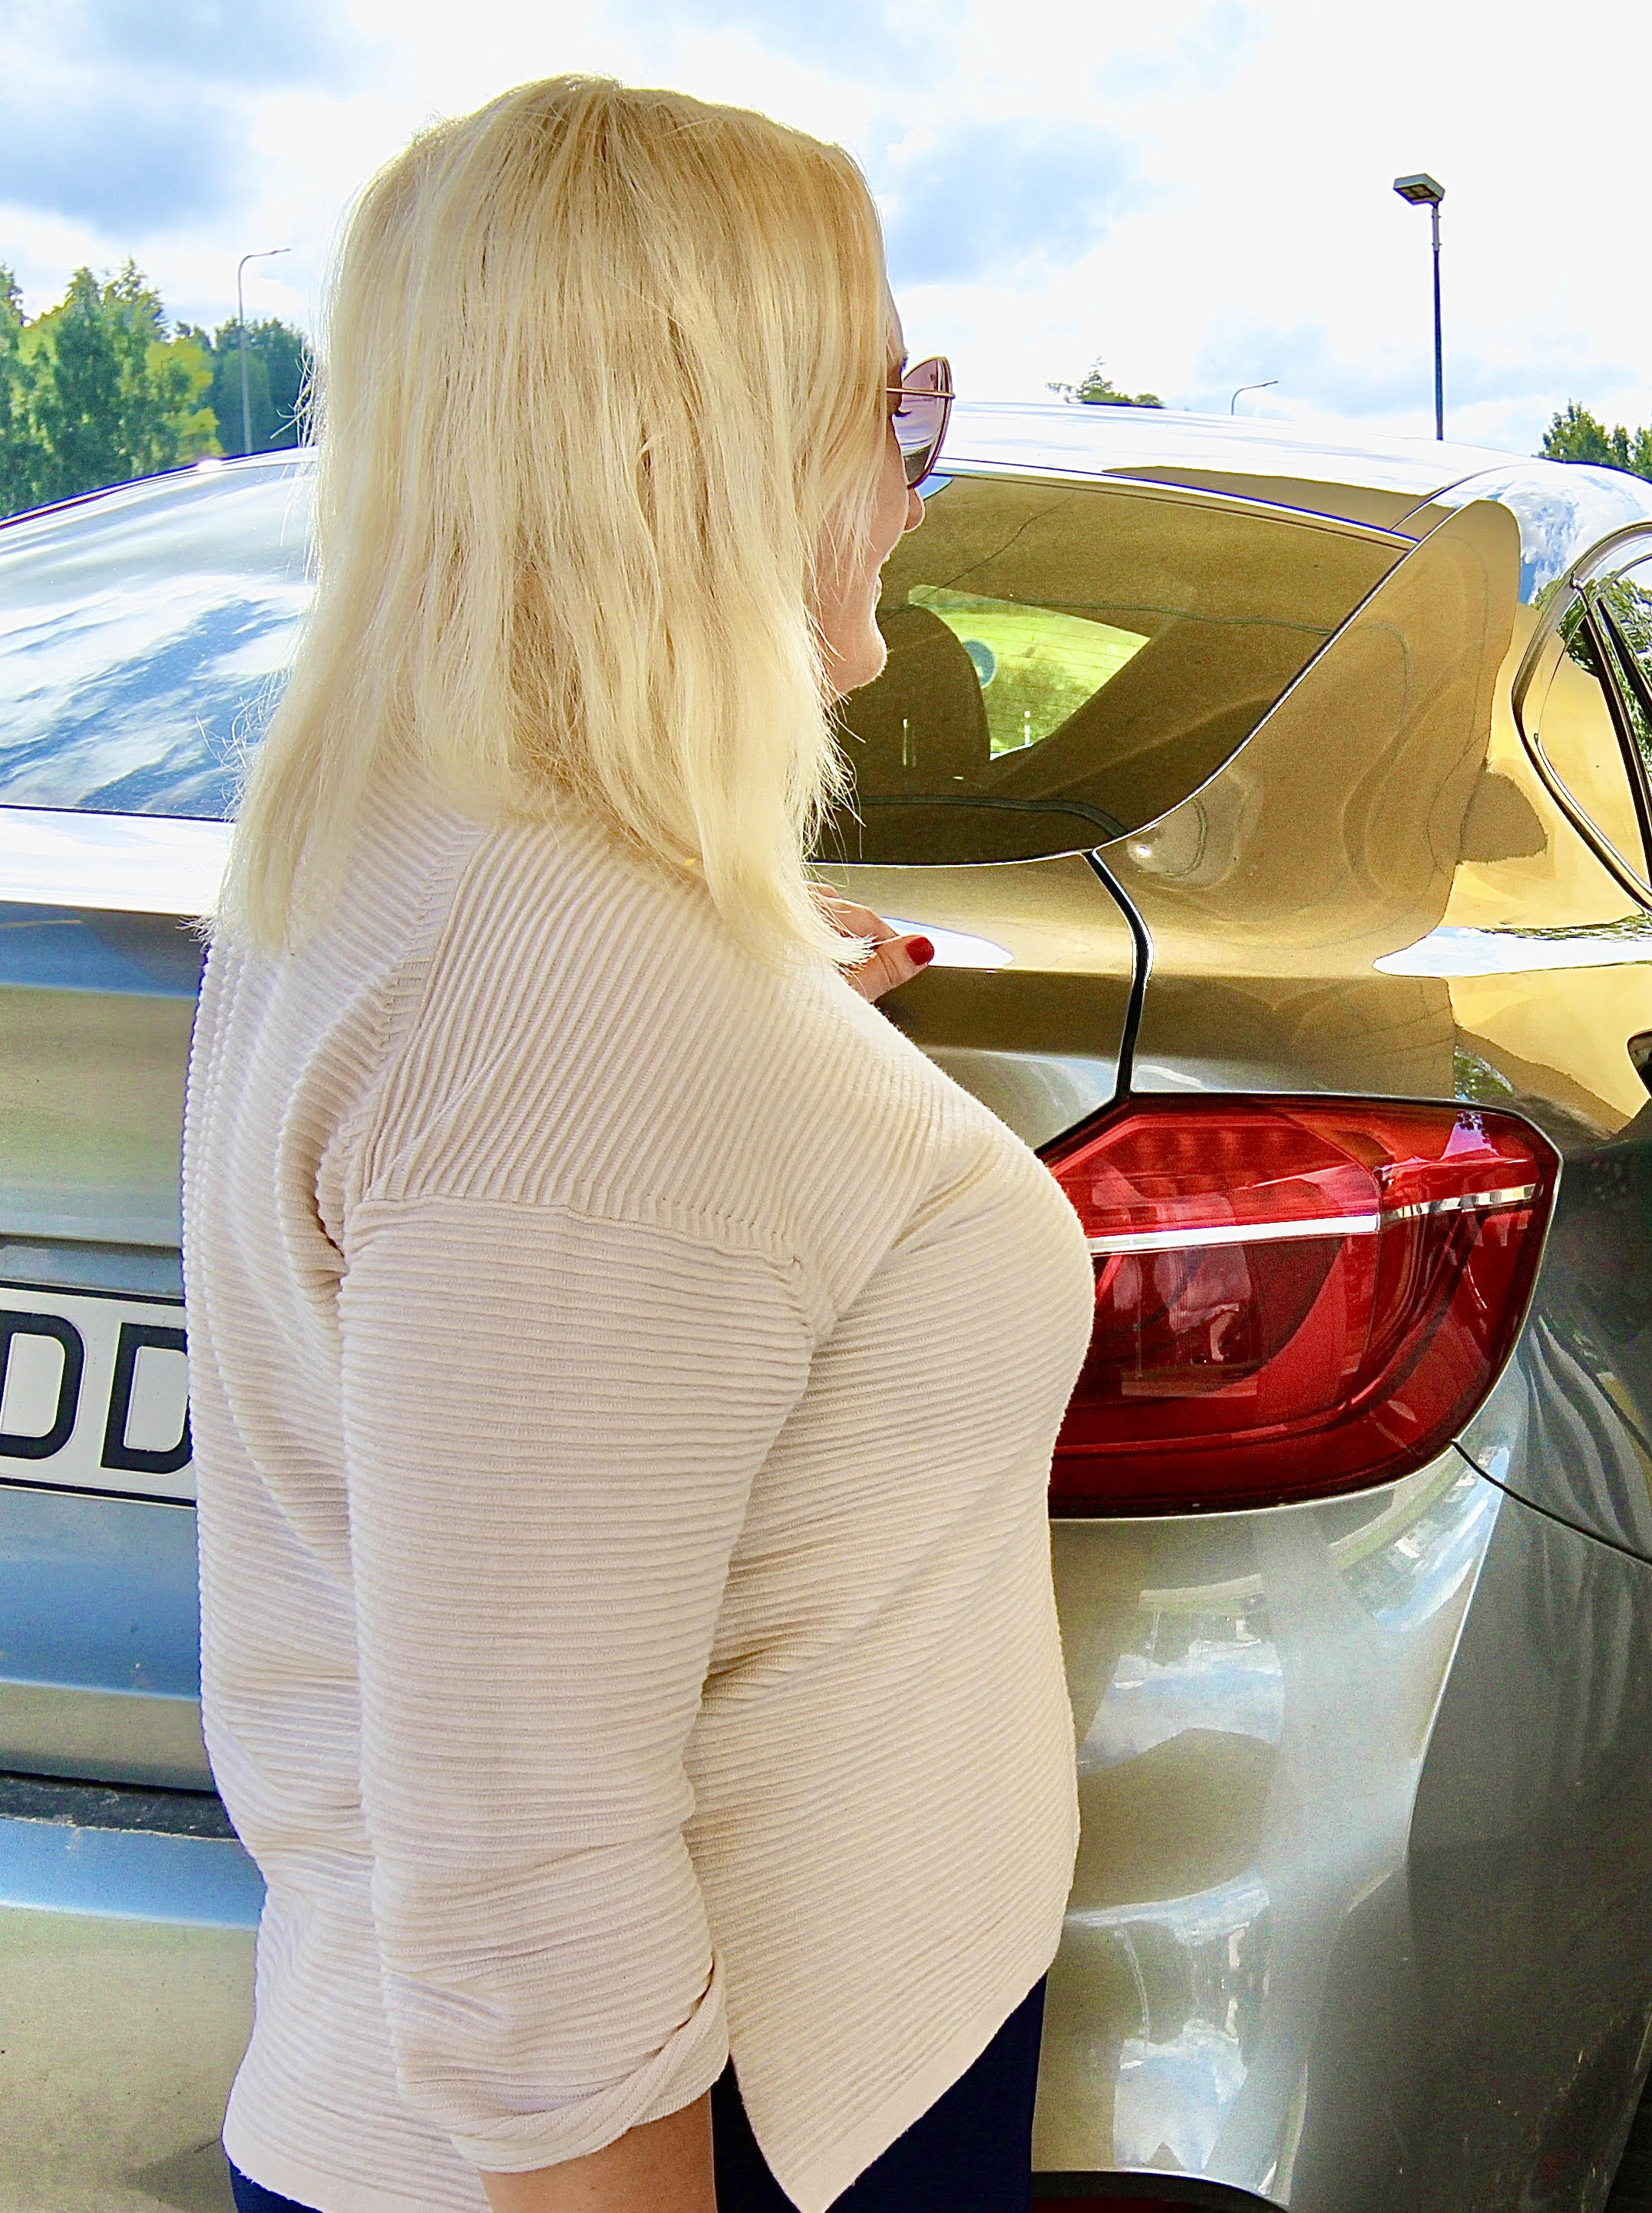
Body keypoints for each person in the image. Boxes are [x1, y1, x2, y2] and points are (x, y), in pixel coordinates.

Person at [186, 77, 1084, 2213]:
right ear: (706, 434)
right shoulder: (583, 997)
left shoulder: (426, 869)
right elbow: (530, 1891)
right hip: (721, 2145)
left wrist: (758, 1049)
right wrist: (679, 1056)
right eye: (893, 406)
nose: (916, 484)